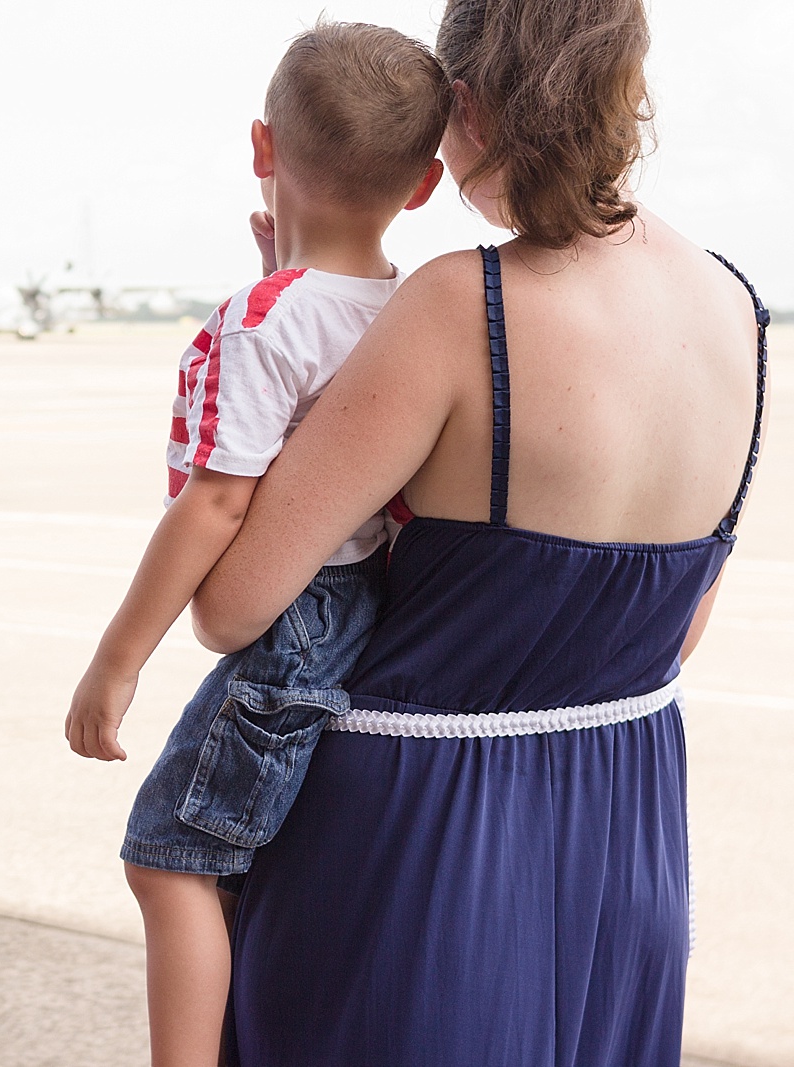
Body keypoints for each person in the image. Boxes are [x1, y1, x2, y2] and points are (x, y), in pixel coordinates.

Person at [188, 1, 766, 1063]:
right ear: (627, 89)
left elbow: (231, 605)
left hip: (416, 840)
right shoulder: (734, 304)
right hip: (622, 824)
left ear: (460, 103)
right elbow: (672, 638)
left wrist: (283, 308)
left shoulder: (460, 305)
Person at [64, 23, 450, 1065]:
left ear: (261, 147)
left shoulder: (261, 317)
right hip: (362, 601)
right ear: (420, 187)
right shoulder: (412, 305)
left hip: (289, 622)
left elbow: (215, 504)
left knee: (168, 854)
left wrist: (115, 662)